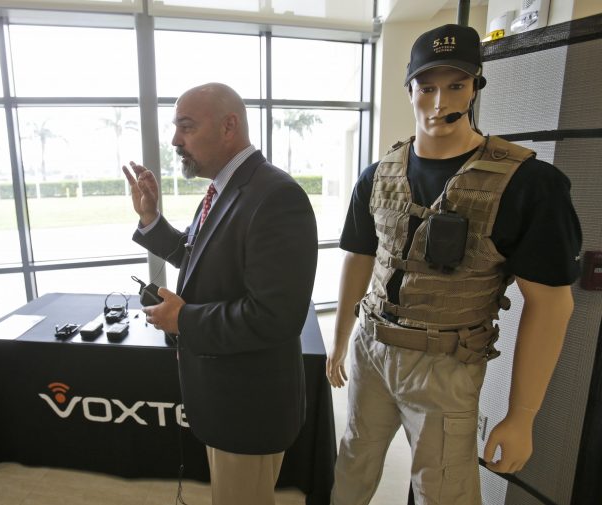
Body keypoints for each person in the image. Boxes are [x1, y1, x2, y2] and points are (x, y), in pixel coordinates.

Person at [327, 24, 582, 505]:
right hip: (372, 347)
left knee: (443, 489)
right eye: (427, 87)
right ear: (409, 91)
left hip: (444, 363)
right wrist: (341, 339)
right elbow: (361, 257)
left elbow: (551, 305)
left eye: (456, 85)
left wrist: (522, 414)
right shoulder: (377, 174)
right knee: (354, 462)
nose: (440, 101)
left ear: (476, 87)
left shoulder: (529, 184)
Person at [122, 82, 318, 505]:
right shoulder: (224, 190)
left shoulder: (277, 197)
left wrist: (184, 320)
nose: (175, 140)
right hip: (226, 398)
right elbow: (197, 259)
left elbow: (275, 315)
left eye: (186, 127)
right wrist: (151, 218)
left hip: (249, 409)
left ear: (229, 126)